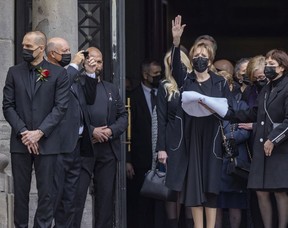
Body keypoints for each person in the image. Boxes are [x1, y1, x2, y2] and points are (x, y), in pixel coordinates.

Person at [2, 31, 70, 227]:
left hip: (47, 143)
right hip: (21, 142)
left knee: (47, 193)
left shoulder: (59, 73)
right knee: (20, 192)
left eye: (28, 47)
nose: (24, 49)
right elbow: (8, 106)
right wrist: (25, 132)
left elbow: (60, 108)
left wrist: (39, 132)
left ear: (41, 49)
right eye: (23, 45)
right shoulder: (14, 72)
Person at [171, 15, 233, 228]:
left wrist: (214, 107)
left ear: (211, 59)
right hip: (192, 136)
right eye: (195, 55)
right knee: (194, 185)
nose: (199, 58)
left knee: (211, 184)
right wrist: (176, 42)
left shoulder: (220, 82)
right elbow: (174, 67)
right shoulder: (185, 79)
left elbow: (229, 109)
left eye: (203, 55)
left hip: (212, 136)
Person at [225, 49, 288, 228]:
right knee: (261, 191)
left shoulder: (287, 86)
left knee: (280, 192)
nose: (268, 68)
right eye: (266, 64)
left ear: (282, 68)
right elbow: (255, 112)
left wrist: (273, 139)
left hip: (279, 148)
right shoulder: (266, 88)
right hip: (262, 147)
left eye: (272, 65)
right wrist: (228, 113)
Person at [73, 47, 128, 228]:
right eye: (93, 60)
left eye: (100, 61)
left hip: (107, 150)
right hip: (83, 149)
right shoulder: (76, 85)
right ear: (84, 61)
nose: (96, 63)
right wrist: (91, 131)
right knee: (77, 196)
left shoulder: (111, 88)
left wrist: (110, 131)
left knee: (105, 199)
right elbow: (71, 116)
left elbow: (123, 116)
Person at [46, 37, 95, 227]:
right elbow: (59, 89)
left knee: (69, 202)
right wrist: (74, 65)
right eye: (64, 51)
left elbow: (89, 99)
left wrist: (90, 74)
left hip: (76, 146)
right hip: (57, 147)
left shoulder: (72, 76)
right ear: (52, 54)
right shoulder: (46, 73)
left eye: (69, 51)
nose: (68, 53)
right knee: (54, 199)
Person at [157, 50, 193, 228]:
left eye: (177, 62)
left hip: (193, 141)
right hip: (172, 143)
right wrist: (161, 148)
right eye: (170, 62)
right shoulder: (165, 85)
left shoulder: (195, 82)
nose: (173, 66)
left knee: (190, 188)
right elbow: (161, 119)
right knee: (173, 189)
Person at [126, 59, 163, 228]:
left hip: (162, 159)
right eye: (155, 73)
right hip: (140, 159)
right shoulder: (132, 97)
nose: (158, 76)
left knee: (162, 204)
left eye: (160, 73)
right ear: (145, 74)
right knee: (140, 204)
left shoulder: (164, 94)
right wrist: (128, 159)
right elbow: (128, 130)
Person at [215, 71, 251, 228]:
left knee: (235, 202)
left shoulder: (241, 105)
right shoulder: (210, 107)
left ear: (231, 85)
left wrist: (226, 139)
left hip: (235, 161)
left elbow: (246, 130)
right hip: (215, 161)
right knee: (215, 203)